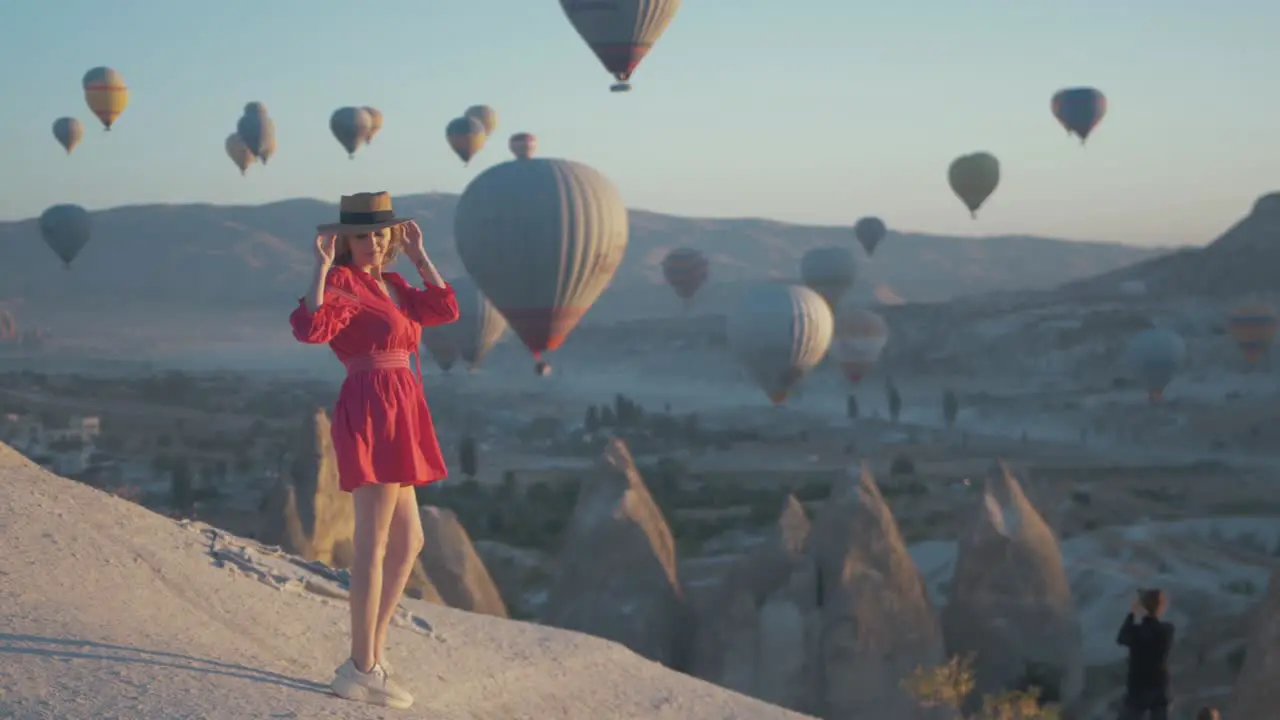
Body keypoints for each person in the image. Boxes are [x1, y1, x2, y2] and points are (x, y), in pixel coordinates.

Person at [290, 191, 459, 709]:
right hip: (373, 408)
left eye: (380, 235)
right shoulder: (342, 283)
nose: (372, 243)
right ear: (344, 241)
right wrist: (320, 271)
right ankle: (362, 666)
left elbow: (444, 310)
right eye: (361, 235)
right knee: (373, 544)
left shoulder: (393, 283)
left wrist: (420, 256)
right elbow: (311, 329)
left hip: (402, 407)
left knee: (409, 543)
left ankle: (369, 658)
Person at [1115, 588, 1175, 719]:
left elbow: (1121, 638)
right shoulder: (1167, 630)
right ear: (1162, 607)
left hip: (1137, 685)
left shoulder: (1136, 632)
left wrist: (1132, 613)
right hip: (1158, 685)